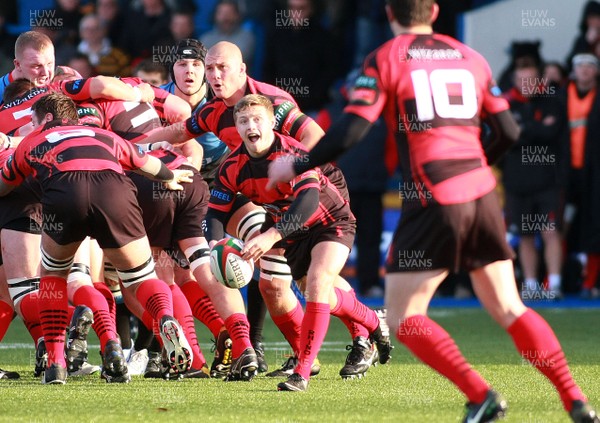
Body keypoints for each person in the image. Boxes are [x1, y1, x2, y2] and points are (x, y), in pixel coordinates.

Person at [267, 1, 599, 421]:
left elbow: (353, 128)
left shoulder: (387, 56)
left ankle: (480, 395)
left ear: (390, 12)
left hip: (433, 196)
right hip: (480, 193)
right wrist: (478, 165)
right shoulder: (470, 56)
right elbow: (509, 130)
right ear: (435, 10)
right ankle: (575, 400)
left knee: (405, 318)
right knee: (511, 307)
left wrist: (296, 163)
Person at [0, 93, 194, 384]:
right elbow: (144, 162)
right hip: (113, 193)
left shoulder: (33, 141)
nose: (32, 126)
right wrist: (169, 177)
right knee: (140, 276)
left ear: (47, 119)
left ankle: (56, 364)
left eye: (34, 121)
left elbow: (4, 183)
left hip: (65, 194)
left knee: (53, 277)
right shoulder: (103, 135)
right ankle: (165, 317)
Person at [208, 94, 388, 390]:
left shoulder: (293, 153)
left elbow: (308, 201)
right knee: (309, 293)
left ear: (270, 124)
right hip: (288, 228)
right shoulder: (231, 166)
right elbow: (215, 211)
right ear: (237, 128)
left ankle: (302, 372)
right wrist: (215, 246)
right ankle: (372, 318)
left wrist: (271, 236)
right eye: (243, 121)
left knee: (317, 284)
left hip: (329, 220)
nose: (250, 126)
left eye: (257, 120)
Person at [501, 60, 567, 299]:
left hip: (548, 181)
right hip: (516, 182)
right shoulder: (506, 104)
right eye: (521, 80)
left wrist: (523, 129)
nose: (525, 85)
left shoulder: (552, 102)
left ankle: (555, 284)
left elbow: (551, 133)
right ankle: (530, 285)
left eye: (530, 79)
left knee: (550, 231)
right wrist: (535, 129)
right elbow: (506, 136)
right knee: (525, 234)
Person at [200, 0, 256, 74]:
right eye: (222, 13)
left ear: (237, 15)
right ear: (215, 15)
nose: (225, 17)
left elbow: (238, 59)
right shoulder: (206, 38)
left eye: (230, 13)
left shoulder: (247, 36)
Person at [0, 31, 55, 100]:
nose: (45, 73)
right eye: (37, 66)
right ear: (18, 65)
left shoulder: (60, 87)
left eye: (49, 64)